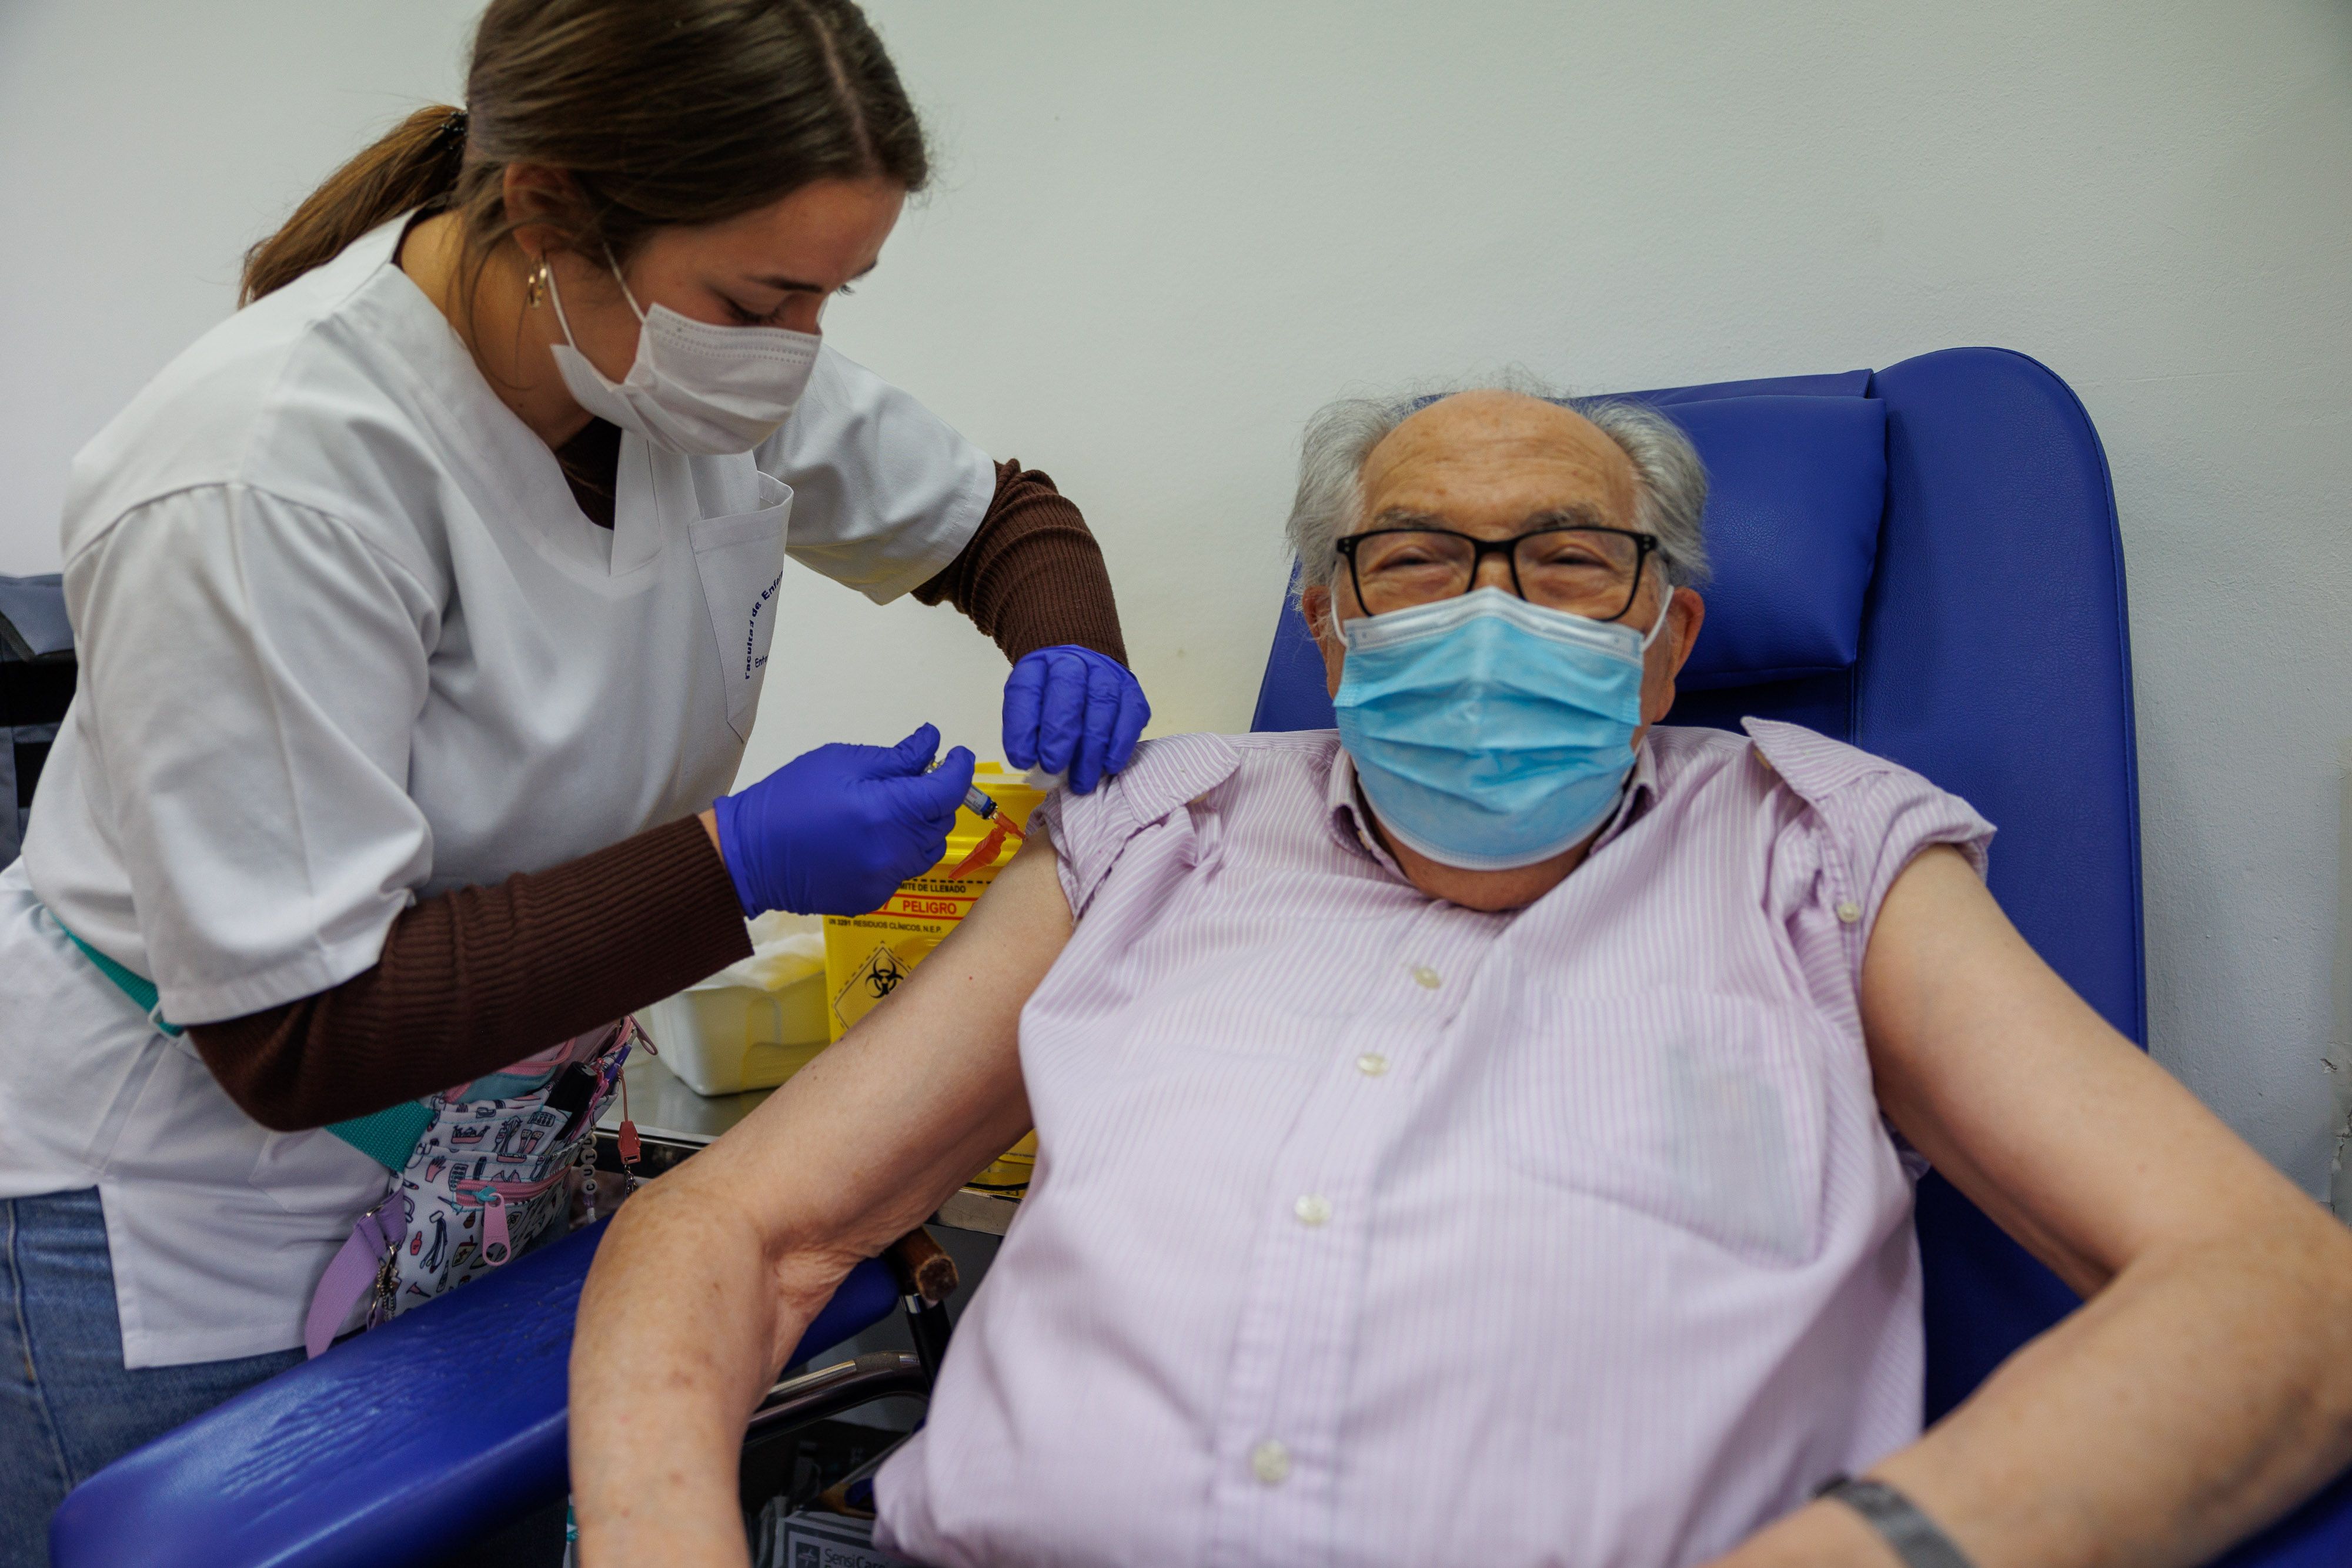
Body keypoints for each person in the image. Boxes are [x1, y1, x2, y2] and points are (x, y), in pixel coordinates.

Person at [572, 383, 2352, 1568]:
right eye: (1416, 556)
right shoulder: (1165, 826)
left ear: (1668, 643)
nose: (1486, 605)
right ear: (1331, 624)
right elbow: (733, 1225)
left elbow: (2284, 1295)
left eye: (1570, 558)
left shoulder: (1818, 848)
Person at [0, 0, 1151, 1550]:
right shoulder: (263, 472)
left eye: (834, 294)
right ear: (546, 209)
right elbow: (299, 1028)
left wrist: (1068, 643)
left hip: (478, 1157)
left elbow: (1003, 522)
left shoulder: (678, 367)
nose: (800, 351)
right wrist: (730, 864)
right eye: (762, 294)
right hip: (193, 1205)